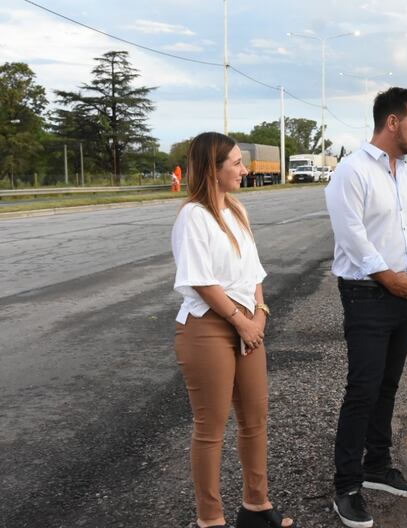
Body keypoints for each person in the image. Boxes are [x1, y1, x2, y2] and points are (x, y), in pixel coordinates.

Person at [171, 132, 294, 528]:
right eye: (237, 163)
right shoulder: (194, 215)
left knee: (255, 419)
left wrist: (259, 314)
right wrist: (241, 321)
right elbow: (201, 281)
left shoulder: (236, 210)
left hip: (247, 324)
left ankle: (256, 507)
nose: (245, 169)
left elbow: (254, 271)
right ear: (213, 168)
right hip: (208, 328)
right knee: (211, 428)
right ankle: (210, 519)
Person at [325, 87, 407, 528]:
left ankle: (377, 465)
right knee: (363, 389)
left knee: (389, 385)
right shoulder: (351, 171)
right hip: (367, 295)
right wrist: (387, 276)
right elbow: (351, 233)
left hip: (404, 294)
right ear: (392, 122)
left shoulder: (406, 173)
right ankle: (347, 485)